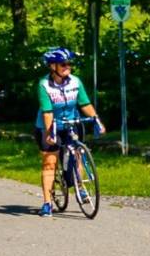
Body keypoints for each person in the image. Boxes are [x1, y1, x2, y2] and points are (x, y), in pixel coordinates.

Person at [33, 47, 103, 216]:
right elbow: (47, 112)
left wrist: (97, 120)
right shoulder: (44, 85)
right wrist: (50, 134)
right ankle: (47, 203)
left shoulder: (75, 82)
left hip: (72, 122)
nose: (67, 67)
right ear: (52, 66)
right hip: (49, 124)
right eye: (63, 64)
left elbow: (85, 104)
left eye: (69, 63)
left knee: (77, 154)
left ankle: (80, 187)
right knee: (50, 162)